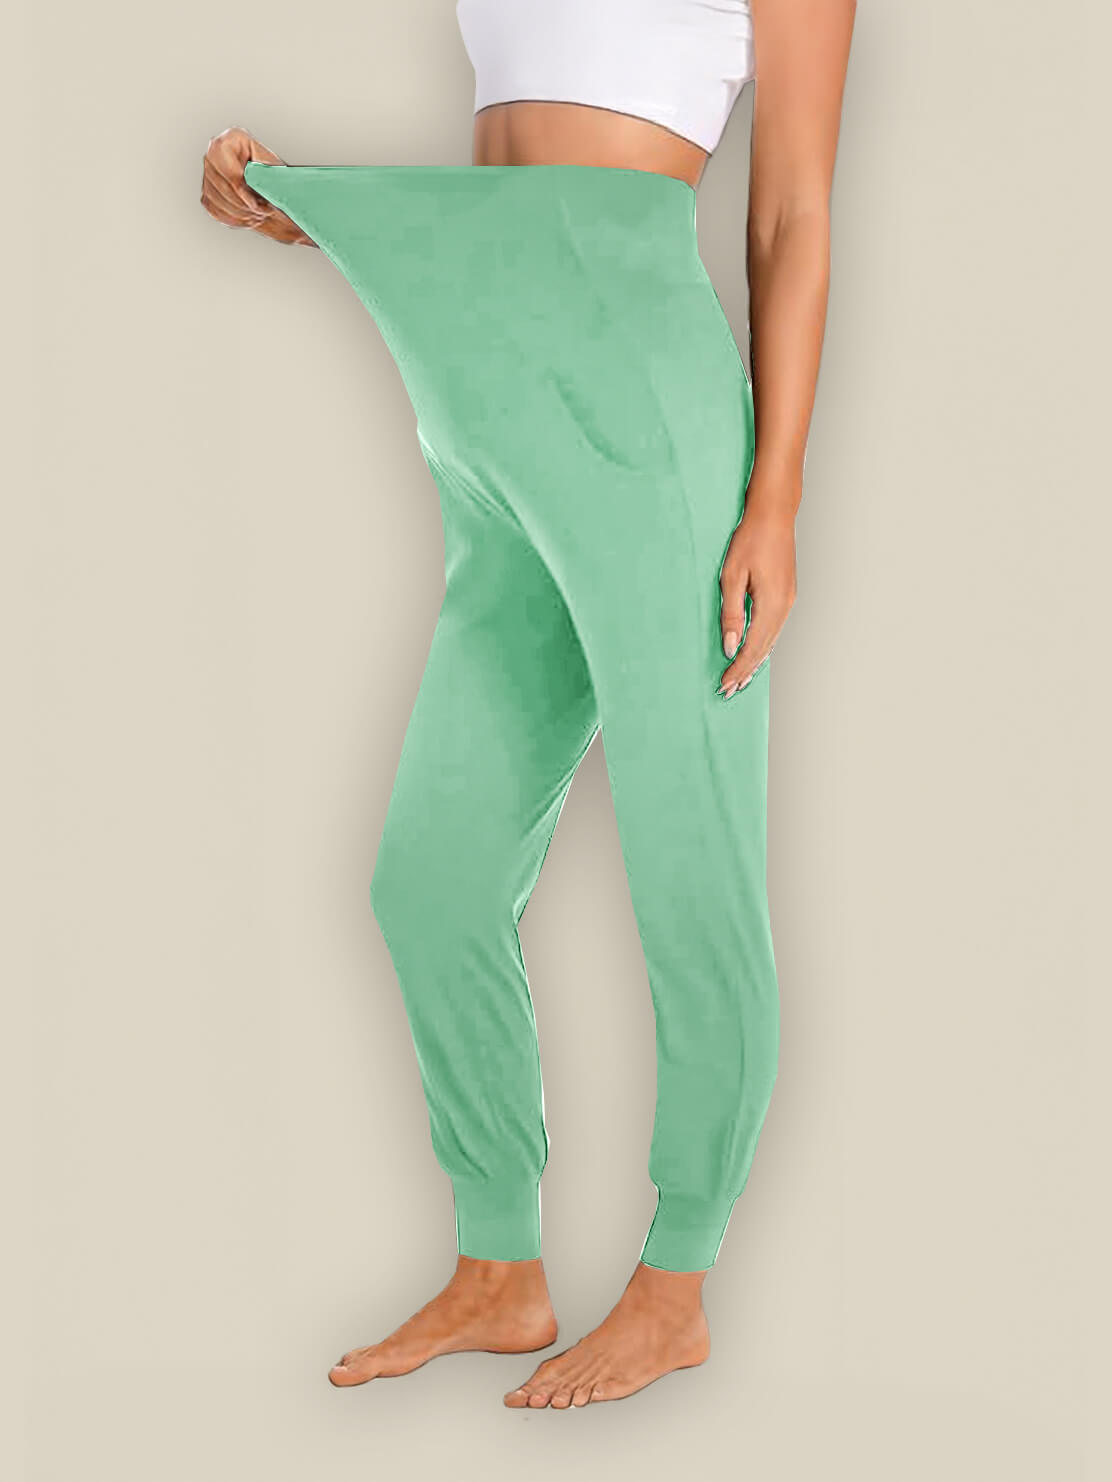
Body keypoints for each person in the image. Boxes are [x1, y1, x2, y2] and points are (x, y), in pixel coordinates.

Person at [200, 0, 856, 1409]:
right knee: (430, 878)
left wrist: (778, 498)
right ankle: (500, 1267)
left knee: (692, 874)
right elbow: (514, 164)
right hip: (482, 418)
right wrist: (301, 210)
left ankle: (676, 1287)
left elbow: (790, 210)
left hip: (641, 413)